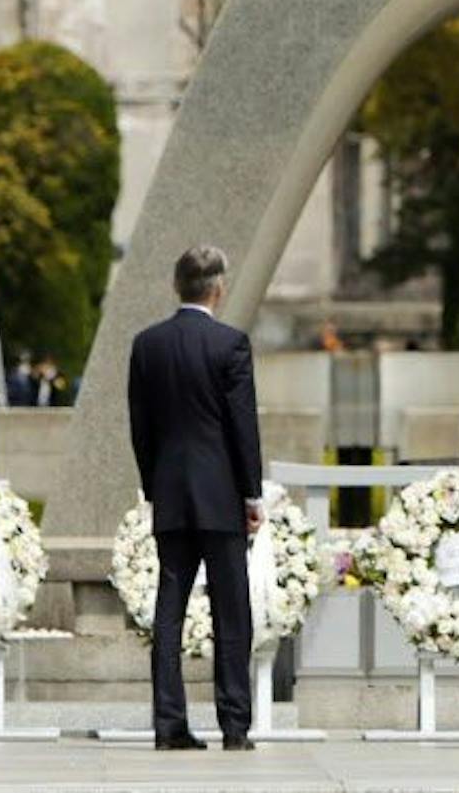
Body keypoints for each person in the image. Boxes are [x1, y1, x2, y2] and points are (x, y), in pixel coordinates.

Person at [127, 245, 264, 752]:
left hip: (171, 494)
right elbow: (241, 427)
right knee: (232, 613)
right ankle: (234, 724)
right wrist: (252, 493)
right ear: (218, 288)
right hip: (220, 495)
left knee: (169, 611)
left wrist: (152, 485)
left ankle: (168, 723)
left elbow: (141, 428)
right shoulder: (230, 344)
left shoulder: (147, 345)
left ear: (176, 286)